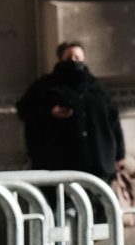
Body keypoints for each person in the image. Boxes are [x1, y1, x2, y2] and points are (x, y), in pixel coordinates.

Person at [17, 42, 128, 190]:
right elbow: (25, 110)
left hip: (98, 164)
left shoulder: (97, 88)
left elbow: (114, 122)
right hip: (60, 165)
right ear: (60, 59)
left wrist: (120, 154)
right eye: (69, 57)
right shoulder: (46, 86)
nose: (74, 61)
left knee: (98, 207)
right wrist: (50, 112)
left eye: (77, 57)